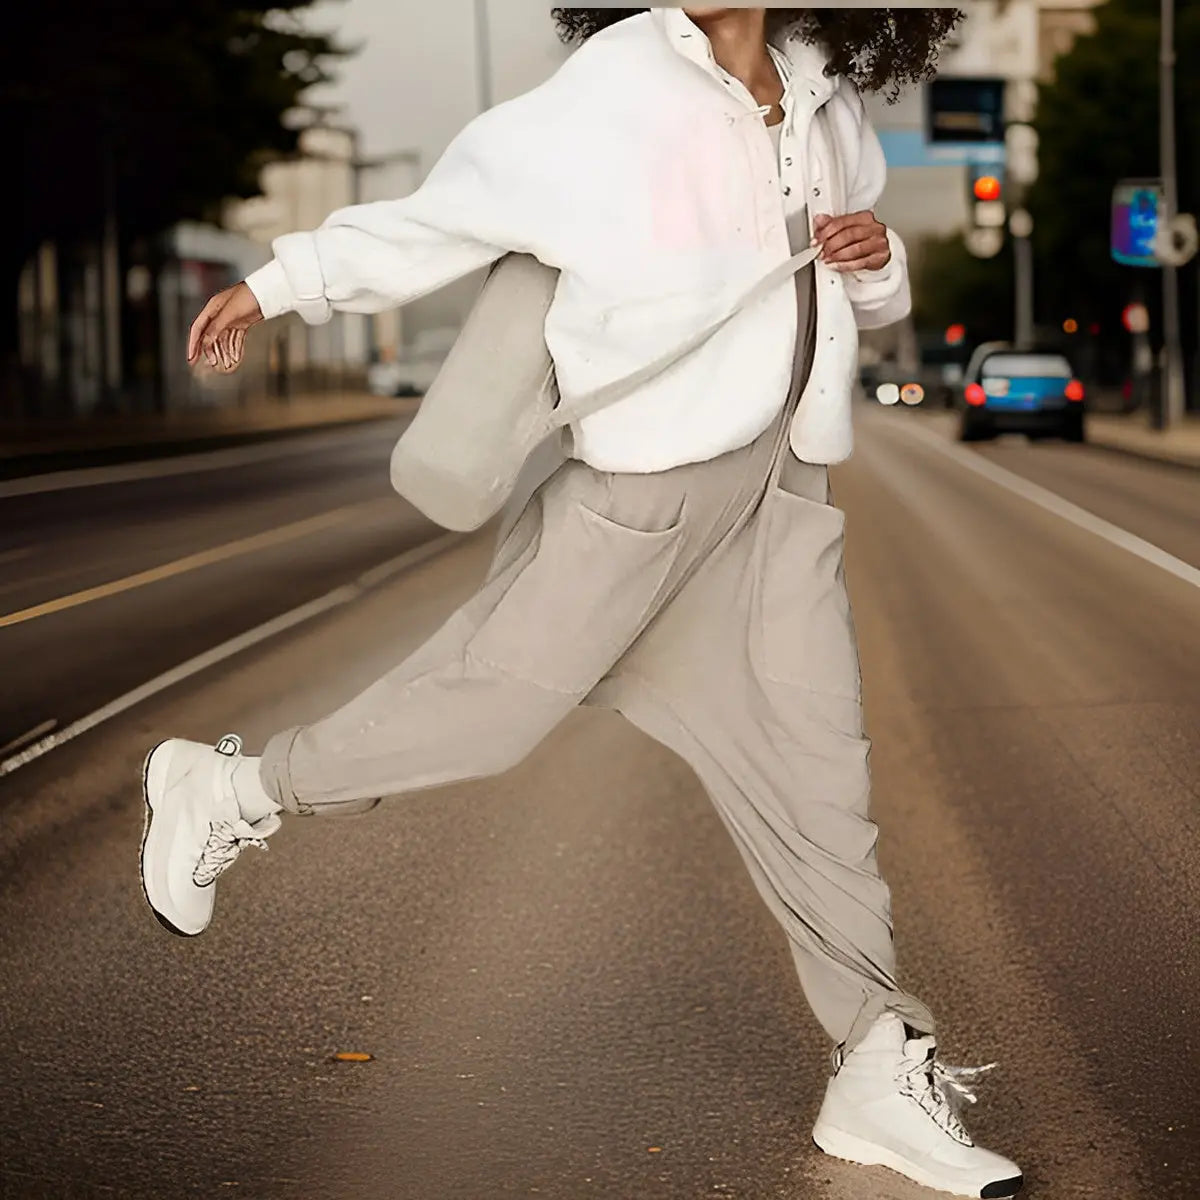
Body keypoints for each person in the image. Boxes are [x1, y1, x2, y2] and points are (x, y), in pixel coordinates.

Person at [138, 8, 1022, 1197]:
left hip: (782, 497)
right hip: (639, 503)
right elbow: (448, 213)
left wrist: (879, 260)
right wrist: (281, 283)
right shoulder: (618, 85)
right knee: (483, 712)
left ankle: (873, 1063)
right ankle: (230, 783)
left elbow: (867, 301)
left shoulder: (824, 98)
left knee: (826, 789)